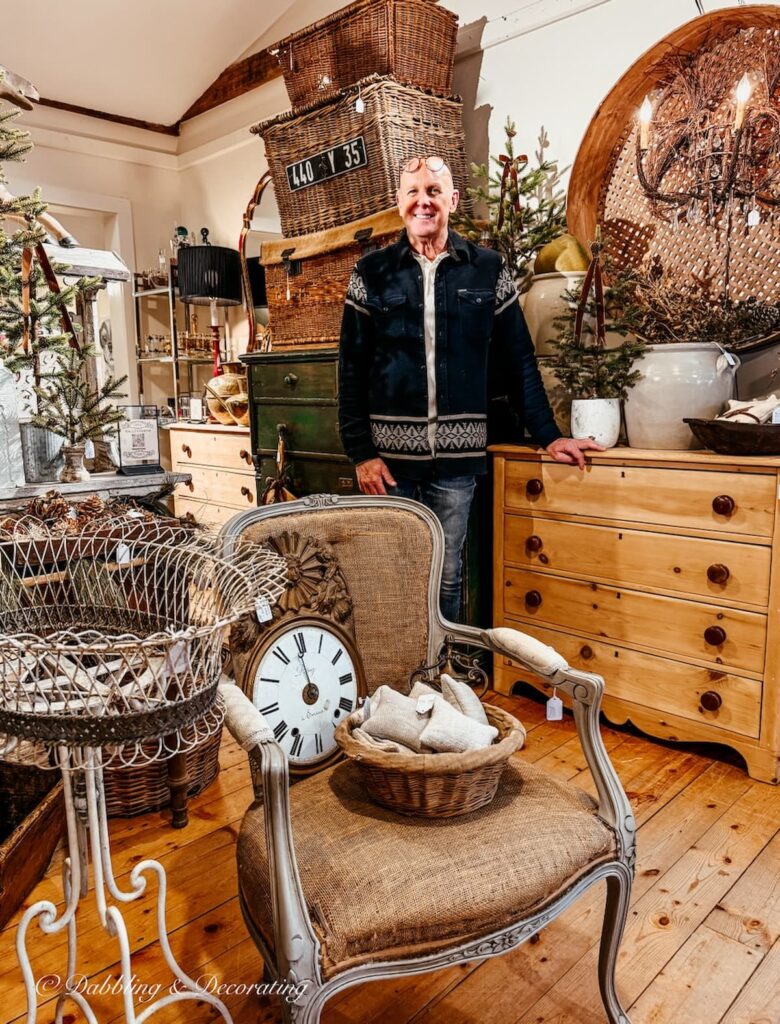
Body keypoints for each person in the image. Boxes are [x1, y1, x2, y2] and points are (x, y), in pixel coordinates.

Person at [338, 155, 603, 622]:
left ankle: (439, 675)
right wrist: (361, 452)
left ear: (452, 201)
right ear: (399, 202)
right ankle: (402, 679)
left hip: (459, 463)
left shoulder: (487, 269)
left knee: (448, 573)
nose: (424, 201)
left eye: (434, 191)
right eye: (414, 191)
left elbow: (518, 357)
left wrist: (550, 435)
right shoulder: (371, 273)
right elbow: (352, 367)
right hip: (390, 465)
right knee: (396, 572)